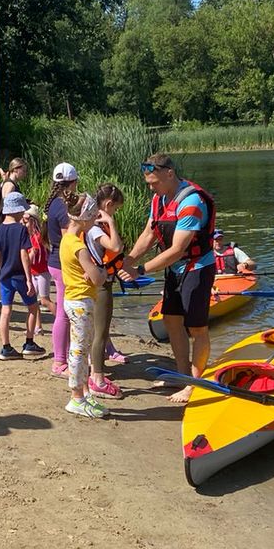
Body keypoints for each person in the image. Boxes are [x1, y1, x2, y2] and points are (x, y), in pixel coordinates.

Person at [121, 154, 217, 403]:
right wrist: (127, 261)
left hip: (197, 268)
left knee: (196, 327)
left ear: (169, 174)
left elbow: (176, 250)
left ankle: (194, 384)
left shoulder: (192, 201)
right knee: (172, 321)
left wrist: (140, 270)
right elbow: (148, 235)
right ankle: (182, 375)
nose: (151, 187)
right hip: (174, 269)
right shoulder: (158, 199)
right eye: (149, 183)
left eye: (154, 182)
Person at [59, 193, 110, 418]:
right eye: (92, 218)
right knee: (79, 350)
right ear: (84, 218)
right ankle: (76, 397)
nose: (94, 221)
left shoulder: (66, 240)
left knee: (83, 347)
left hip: (75, 298)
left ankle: (85, 392)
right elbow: (97, 278)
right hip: (81, 301)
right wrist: (103, 271)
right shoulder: (78, 245)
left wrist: (94, 273)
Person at [84, 183, 126, 399]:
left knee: (95, 332)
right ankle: (97, 378)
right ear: (108, 204)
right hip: (102, 285)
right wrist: (110, 221)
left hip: (97, 283)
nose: (114, 213)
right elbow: (116, 247)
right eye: (115, 209)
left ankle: (93, 372)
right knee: (101, 333)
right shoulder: (97, 228)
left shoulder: (88, 223)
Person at [0, 192, 46, 360]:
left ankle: (6, 347)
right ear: (17, 210)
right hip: (20, 276)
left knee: (6, 310)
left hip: (5, 276)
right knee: (33, 307)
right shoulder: (21, 230)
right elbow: (24, 254)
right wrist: (29, 279)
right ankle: (29, 342)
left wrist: (3, 268)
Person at [45, 162, 79, 378]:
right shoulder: (64, 207)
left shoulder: (54, 204)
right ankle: (59, 361)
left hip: (55, 260)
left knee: (62, 310)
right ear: (73, 182)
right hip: (62, 262)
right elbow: (69, 238)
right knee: (64, 312)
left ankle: (62, 357)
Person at [24, 204, 51, 328]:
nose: (23, 223)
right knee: (33, 301)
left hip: (41, 272)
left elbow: (30, 259)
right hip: (34, 272)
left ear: (32, 221)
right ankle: (38, 326)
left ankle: (62, 318)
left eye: (25, 220)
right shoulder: (28, 237)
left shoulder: (37, 237)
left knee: (44, 300)